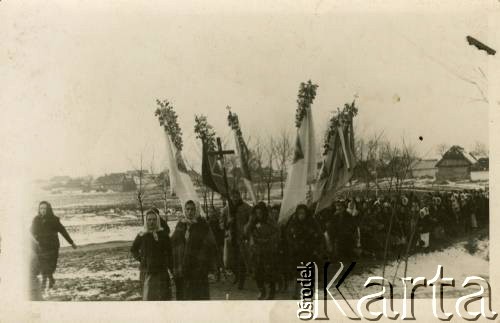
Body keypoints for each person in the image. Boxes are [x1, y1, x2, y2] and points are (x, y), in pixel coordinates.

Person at [171, 200, 217, 300]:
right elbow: (174, 244)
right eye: (187, 209)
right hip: (183, 268)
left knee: (198, 296)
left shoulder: (203, 225)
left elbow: (211, 245)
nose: (190, 212)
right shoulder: (180, 225)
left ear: (196, 210)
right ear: (184, 210)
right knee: (185, 297)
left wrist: (207, 264)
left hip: (198, 268)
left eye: (192, 209)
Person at [31, 201, 77, 291]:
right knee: (44, 265)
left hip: (53, 246)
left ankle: (50, 280)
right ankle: (45, 282)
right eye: (41, 208)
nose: (43, 210)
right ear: (39, 209)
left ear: (48, 209)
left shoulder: (54, 220)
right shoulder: (36, 220)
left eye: (44, 208)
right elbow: (31, 232)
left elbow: (63, 231)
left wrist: (71, 243)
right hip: (41, 246)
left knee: (51, 265)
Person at [131, 208, 173, 301]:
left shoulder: (163, 235)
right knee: (149, 298)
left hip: (161, 272)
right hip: (147, 272)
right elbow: (133, 249)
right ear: (146, 221)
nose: (152, 222)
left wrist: (168, 264)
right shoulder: (142, 235)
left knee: (163, 297)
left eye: (154, 219)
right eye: (149, 220)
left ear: (157, 220)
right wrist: (141, 259)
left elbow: (170, 251)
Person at [286, 204, 325, 299]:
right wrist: (294, 244)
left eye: (303, 213)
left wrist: (314, 246)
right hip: (297, 251)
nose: (301, 215)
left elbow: (319, 235)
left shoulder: (312, 222)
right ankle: (296, 292)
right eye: (299, 213)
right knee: (297, 272)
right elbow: (288, 235)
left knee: (308, 272)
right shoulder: (293, 222)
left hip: (309, 251)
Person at [245, 202, 279, 300]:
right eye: (257, 213)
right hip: (256, 251)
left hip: (268, 250)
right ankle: (262, 290)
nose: (258, 215)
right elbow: (246, 232)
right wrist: (250, 221)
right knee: (257, 273)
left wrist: (268, 240)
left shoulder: (269, 221)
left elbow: (276, 233)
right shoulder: (253, 222)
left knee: (269, 273)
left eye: (260, 213)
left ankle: (271, 292)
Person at [221, 189, 252, 289]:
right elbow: (221, 224)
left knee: (242, 259)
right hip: (231, 238)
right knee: (230, 261)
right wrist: (227, 223)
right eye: (232, 196)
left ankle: (241, 281)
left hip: (242, 237)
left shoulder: (246, 207)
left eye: (236, 195)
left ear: (239, 195)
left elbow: (251, 219)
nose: (234, 198)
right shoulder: (226, 209)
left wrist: (247, 228)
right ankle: (237, 275)